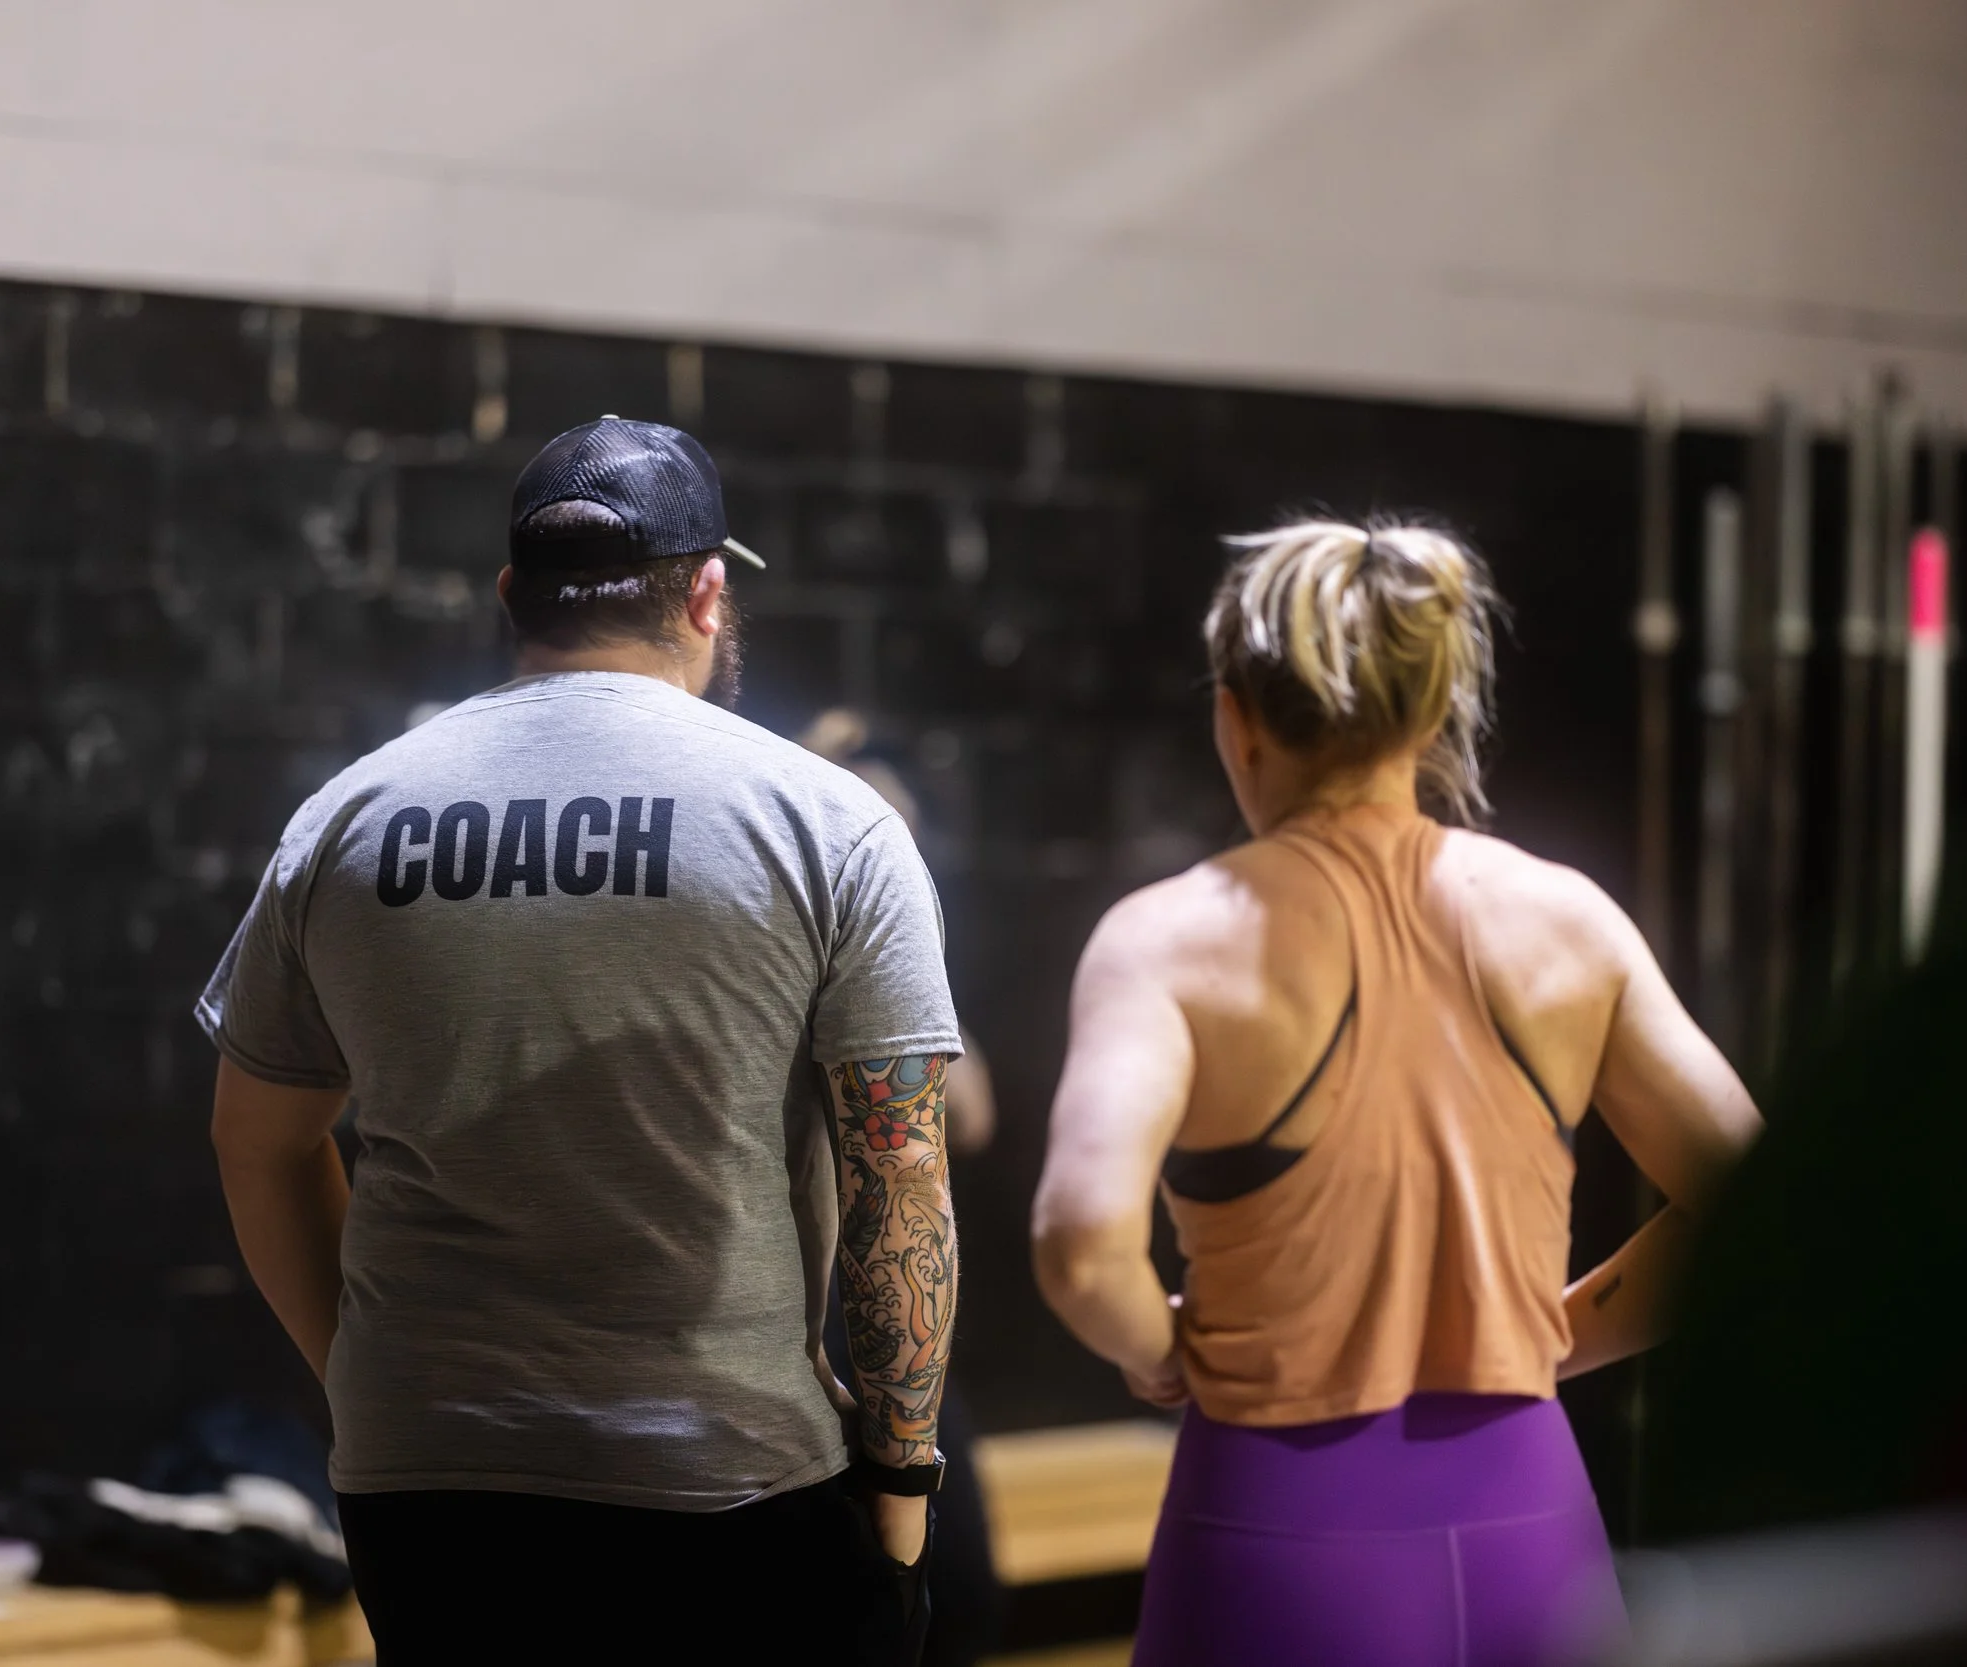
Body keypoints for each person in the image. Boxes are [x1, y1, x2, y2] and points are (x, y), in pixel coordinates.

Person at [200, 417, 963, 1665]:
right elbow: (901, 1177)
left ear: (513, 595)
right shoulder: (829, 824)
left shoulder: (346, 817)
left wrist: (373, 1375)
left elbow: (257, 1142)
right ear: (708, 590)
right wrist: (901, 1480)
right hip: (733, 1482)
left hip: (428, 1486)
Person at [1031, 518, 1763, 1667]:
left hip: (1277, 1526)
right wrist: (1540, 1337)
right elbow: (1758, 1204)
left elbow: (1080, 1248)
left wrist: (1155, 1343)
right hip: (1533, 1525)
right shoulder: (1567, 919)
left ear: (1236, 717)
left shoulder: (1169, 940)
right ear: (1431, 717)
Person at [799, 708, 1006, 1667]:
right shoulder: (786, 913)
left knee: (955, 1585)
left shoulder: (904, 948)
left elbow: (971, 1117)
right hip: (808, 1301)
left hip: (893, 1294)